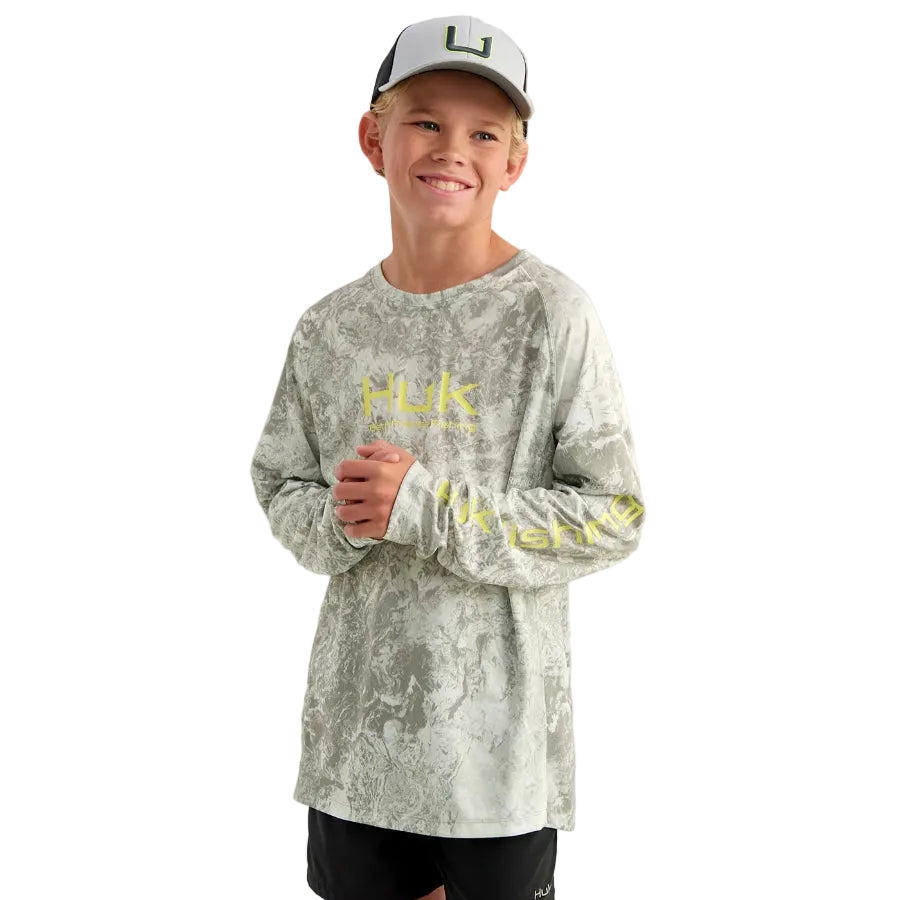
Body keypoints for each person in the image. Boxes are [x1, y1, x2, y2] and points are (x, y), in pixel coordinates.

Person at [250, 14, 646, 900]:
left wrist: (427, 509)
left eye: (485, 133)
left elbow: (615, 513)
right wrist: (345, 520)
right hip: (357, 747)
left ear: (515, 162)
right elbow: (280, 480)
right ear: (373, 138)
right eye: (426, 120)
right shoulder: (328, 328)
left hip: (497, 763)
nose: (452, 150)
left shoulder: (551, 314)